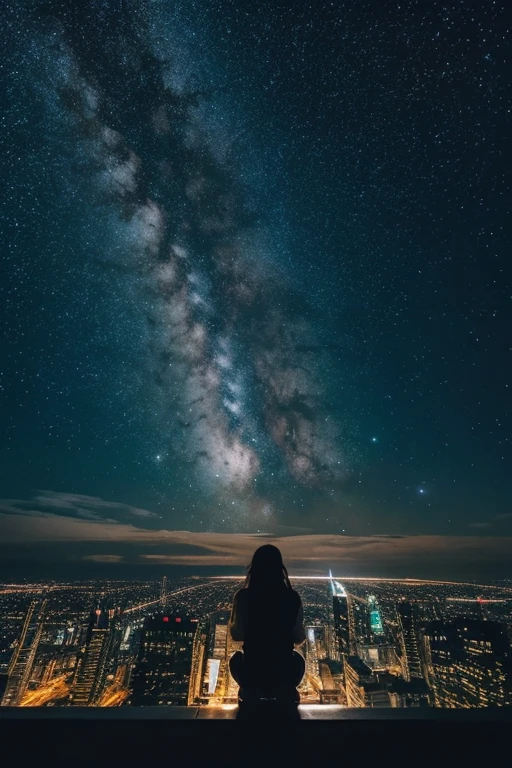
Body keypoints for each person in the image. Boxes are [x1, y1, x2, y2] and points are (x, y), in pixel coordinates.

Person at [229, 544, 306, 702]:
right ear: (280, 569)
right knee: (298, 659)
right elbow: (298, 638)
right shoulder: (292, 597)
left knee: (235, 659)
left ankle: (248, 692)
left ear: (254, 569)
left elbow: (237, 635)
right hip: (284, 677)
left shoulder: (243, 597)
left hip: (252, 675)